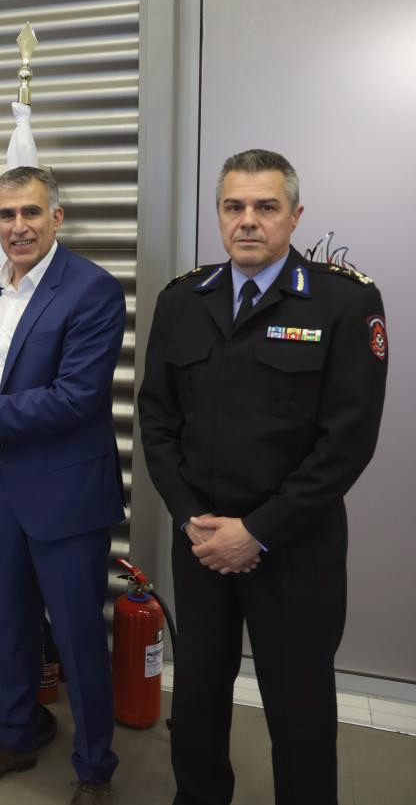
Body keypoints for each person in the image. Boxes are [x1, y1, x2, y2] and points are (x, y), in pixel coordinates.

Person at [138, 149, 387, 805]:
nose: (248, 220)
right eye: (234, 206)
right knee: (196, 695)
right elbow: (156, 419)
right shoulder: (182, 300)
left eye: (265, 206)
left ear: (295, 215)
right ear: (219, 213)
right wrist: (190, 515)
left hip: (294, 548)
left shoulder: (343, 300)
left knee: (299, 708)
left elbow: (348, 441)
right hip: (200, 543)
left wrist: (256, 531)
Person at [0, 166, 124, 805]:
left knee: (77, 636)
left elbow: (75, 398)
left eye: (31, 212)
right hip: (2, 484)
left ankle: (95, 770)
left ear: (56, 217)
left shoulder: (92, 290)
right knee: (11, 622)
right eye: (6, 215)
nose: (18, 227)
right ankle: (13, 737)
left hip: (65, 494)